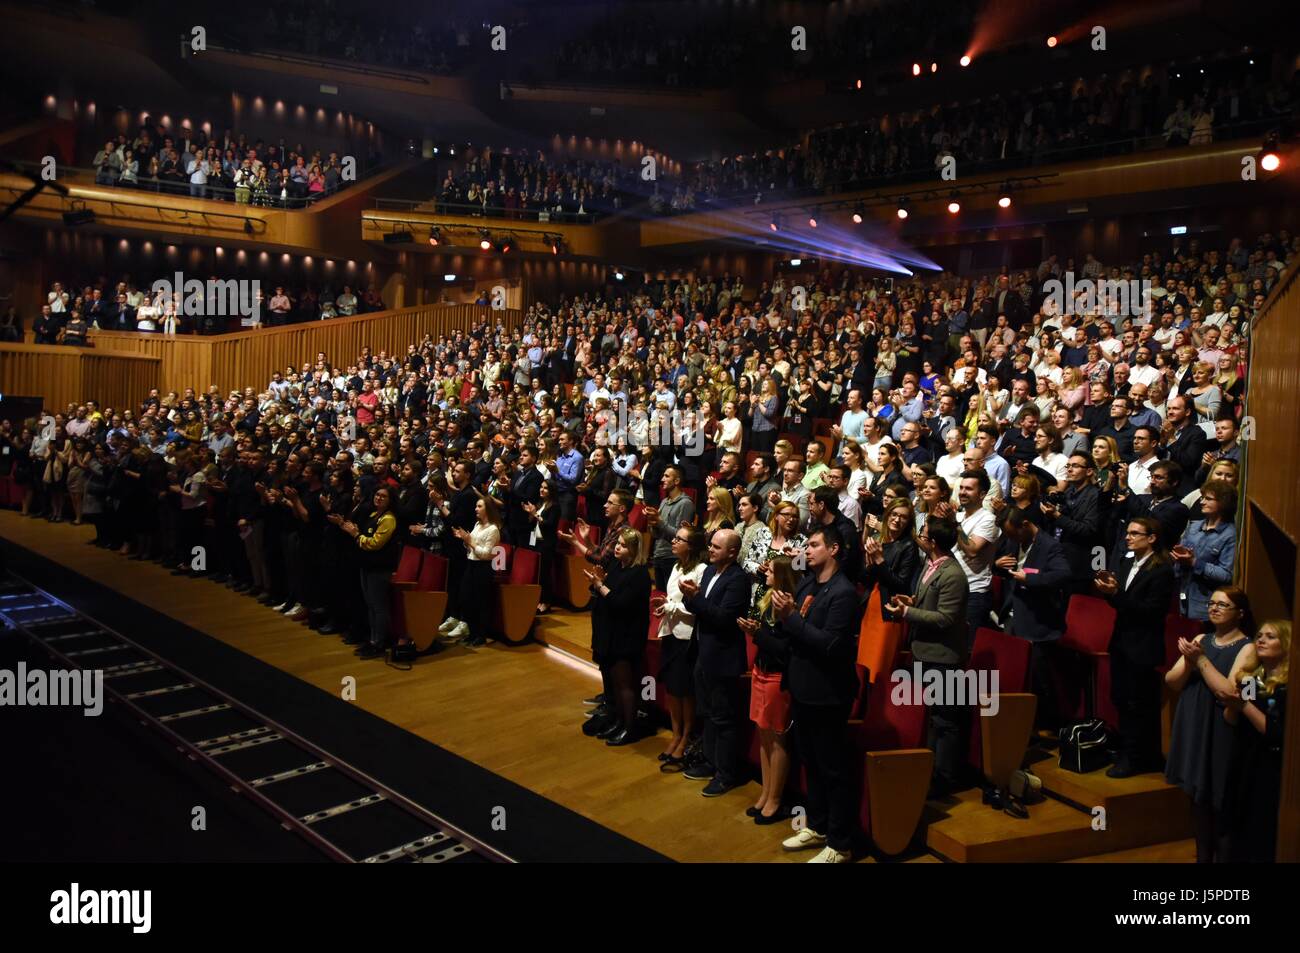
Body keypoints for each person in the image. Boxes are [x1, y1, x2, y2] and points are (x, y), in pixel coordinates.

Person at [773, 525, 862, 863]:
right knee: (811, 762)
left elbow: (831, 645)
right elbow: (797, 629)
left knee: (833, 769)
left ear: (834, 549)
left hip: (828, 693)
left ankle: (840, 844)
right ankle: (819, 825)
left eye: (813, 545)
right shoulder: (809, 583)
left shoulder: (844, 593)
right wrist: (785, 616)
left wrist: (791, 618)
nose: (806, 551)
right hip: (803, 687)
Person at [1165, 585, 1257, 861]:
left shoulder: (1248, 647)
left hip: (1219, 727)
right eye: (1212, 603)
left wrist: (1200, 659)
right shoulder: (1202, 638)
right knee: (1197, 802)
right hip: (1193, 722)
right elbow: (1172, 681)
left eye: (1222, 605)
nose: (1214, 608)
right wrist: (1190, 661)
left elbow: (1226, 692)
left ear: (1240, 613)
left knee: (1219, 802)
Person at [1094, 516, 1176, 778]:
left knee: (1137, 704)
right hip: (1121, 641)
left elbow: (1151, 611)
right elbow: (1123, 604)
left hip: (1143, 646)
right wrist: (1111, 594)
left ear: (1151, 538)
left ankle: (1137, 757)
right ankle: (1129, 751)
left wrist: (1116, 595)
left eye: (1134, 533)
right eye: (1127, 532)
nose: (1127, 537)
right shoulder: (1127, 560)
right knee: (1120, 698)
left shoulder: (1162, 569)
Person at [679, 528, 751, 796]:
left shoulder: (738, 580)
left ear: (732, 552)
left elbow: (723, 619)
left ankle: (726, 774)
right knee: (708, 714)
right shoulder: (709, 572)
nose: (710, 549)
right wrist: (689, 596)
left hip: (723, 659)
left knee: (724, 719)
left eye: (717, 547)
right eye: (710, 545)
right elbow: (701, 611)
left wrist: (696, 598)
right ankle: (710, 762)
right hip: (703, 653)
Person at [993, 507, 1072, 732]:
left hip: (1038, 621)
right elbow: (1001, 566)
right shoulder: (1013, 541)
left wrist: (1030, 579)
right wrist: (996, 566)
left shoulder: (1050, 546)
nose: (1012, 539)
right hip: (1012, 616)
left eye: (1014, 534)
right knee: (1013, 675)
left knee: (1039, 678)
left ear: (1025, 525)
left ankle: (1047, 724)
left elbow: (1063, 575)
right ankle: (1020, 724)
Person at [1222, 620, 1290, 862]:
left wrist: (1243, 705)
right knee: (1237, 825)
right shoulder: (1252, 678)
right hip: (1245, 759)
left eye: (1270, 636)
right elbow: (1233, 720)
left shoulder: (1287, 686)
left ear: (1287, 643)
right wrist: (1233, 705)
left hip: (1271, 765)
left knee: (1261, 830)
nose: (1260, 640)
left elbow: (1276, 733)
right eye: (1259, 635)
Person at [737, 555, 796, 824]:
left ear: (782, 575)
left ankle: (776, 798)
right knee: (762, 734)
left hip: (777, 675)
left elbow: (785, 649)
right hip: (761, 669)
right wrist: (755, 630)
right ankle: (765, 792)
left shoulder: (787, 606)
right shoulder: (765, 598)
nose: (766, 573)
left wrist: (757, 634)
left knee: (777, 738)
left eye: (771, 570)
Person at [585, 527, 652, 747]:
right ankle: (618, 720)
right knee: (613, 681)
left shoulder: (640, 573)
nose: (617, 547)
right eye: (618, 543)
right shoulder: (616, 566)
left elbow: (621, 603)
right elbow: (607, 594)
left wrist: (600, 586)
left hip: (627, 636)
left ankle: (629, 728)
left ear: (633, 550)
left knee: (625, 684)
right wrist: (597, 583)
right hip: (611, 633)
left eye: (623, 545)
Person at [655, 526, 707, 769]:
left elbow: (698, 606)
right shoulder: (676, 566)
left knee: (685, 690)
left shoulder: (701, 570)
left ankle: (687, 736)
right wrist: (665, 605)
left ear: (692, 546)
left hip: (687, 637)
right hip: (670, 632)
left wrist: (671, 607)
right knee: (672, 689)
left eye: (679, 539)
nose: (673, 541)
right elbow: (673, 599)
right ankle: (675, 734)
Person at [857, 497, 918, 685]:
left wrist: (879, 561)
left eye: (903, 517)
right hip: (870, 606)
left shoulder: (909, 546)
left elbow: (900, 584)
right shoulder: (877, 539)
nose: (897, 520)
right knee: (863, 665)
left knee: (879, 667)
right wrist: (869, 564)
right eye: (894, 514)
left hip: (889, 610)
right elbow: (865, 579)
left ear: (909, 522)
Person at [336, 485, 399, 660]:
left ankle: (379, 642)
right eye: (377, 495)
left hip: (380, 567)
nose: (378, 498)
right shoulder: (373, 514)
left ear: (390, 500)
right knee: (370, 605)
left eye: (383, 496)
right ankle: (373, 639)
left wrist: (356, 535)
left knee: (379, 607)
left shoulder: (388, 519)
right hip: (367, 564)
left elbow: (374, 543)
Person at [1171, 481, 1237, 622]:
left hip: (1205, 604)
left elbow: (1226, 575)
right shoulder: (1194, 527)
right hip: (1182, 594)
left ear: (1223, 503)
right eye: (1202, 498)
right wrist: (1178, 558)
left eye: (1208, 499)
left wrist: (1194, 562)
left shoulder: (1230, 535)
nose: (1201, 502)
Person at [449, 493, 503, 646]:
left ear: (488, 509)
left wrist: (469, 541)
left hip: (483, 568)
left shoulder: (493, 529)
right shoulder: (477, 525)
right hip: (471, 564)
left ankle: (480, 635)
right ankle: (471, 632)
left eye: (480, 506)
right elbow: (470, 547)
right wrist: (464, 540)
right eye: (476, 506)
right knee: (466, 599)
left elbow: (486, 554)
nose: (476, 509)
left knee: (481, 602)